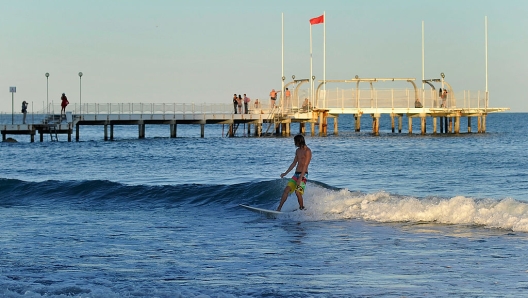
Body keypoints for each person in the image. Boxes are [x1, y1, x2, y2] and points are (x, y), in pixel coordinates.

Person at [277, 134, 312, 211]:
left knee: (297, 192)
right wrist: (285, 173)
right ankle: (279, 208)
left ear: (299, 141)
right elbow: (294, 163)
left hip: (303, 175)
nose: (294, 143)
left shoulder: (307, 151)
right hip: (296, 174)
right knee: (286, 190)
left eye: (295, 142)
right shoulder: (297, 151)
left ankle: (302, 208)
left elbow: (305, 165)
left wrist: (300, 178)